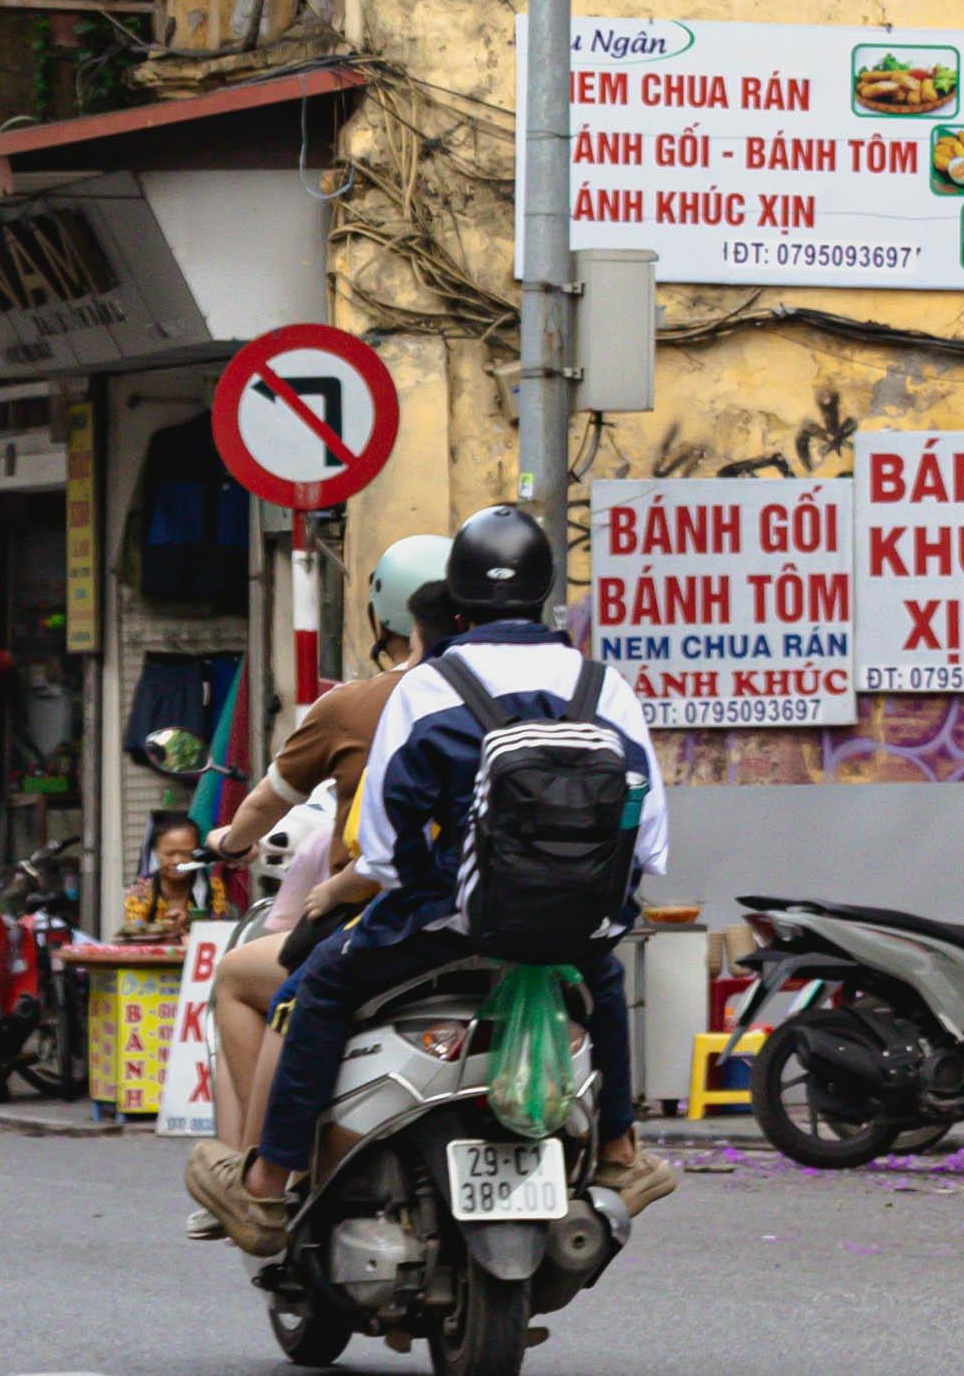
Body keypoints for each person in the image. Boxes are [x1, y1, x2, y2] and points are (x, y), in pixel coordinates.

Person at [196, 506, 678, 1250]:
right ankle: (619, 1153)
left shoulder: (431, 686)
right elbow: (648, 836)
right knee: (603, 983)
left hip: (441, 926)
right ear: (544, 592)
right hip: (574, 925)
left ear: (453, 600)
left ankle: (265, 1187)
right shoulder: (600, 685)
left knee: (320, 989)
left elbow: (384, 849)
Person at [168, 531, 449, 1175]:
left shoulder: (360, 703)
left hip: (388, 914)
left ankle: (252, 1168)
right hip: (497, 912)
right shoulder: (517, 696)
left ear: (387, 616)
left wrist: (230, 842)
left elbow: (273, 801)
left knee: (248, 980)